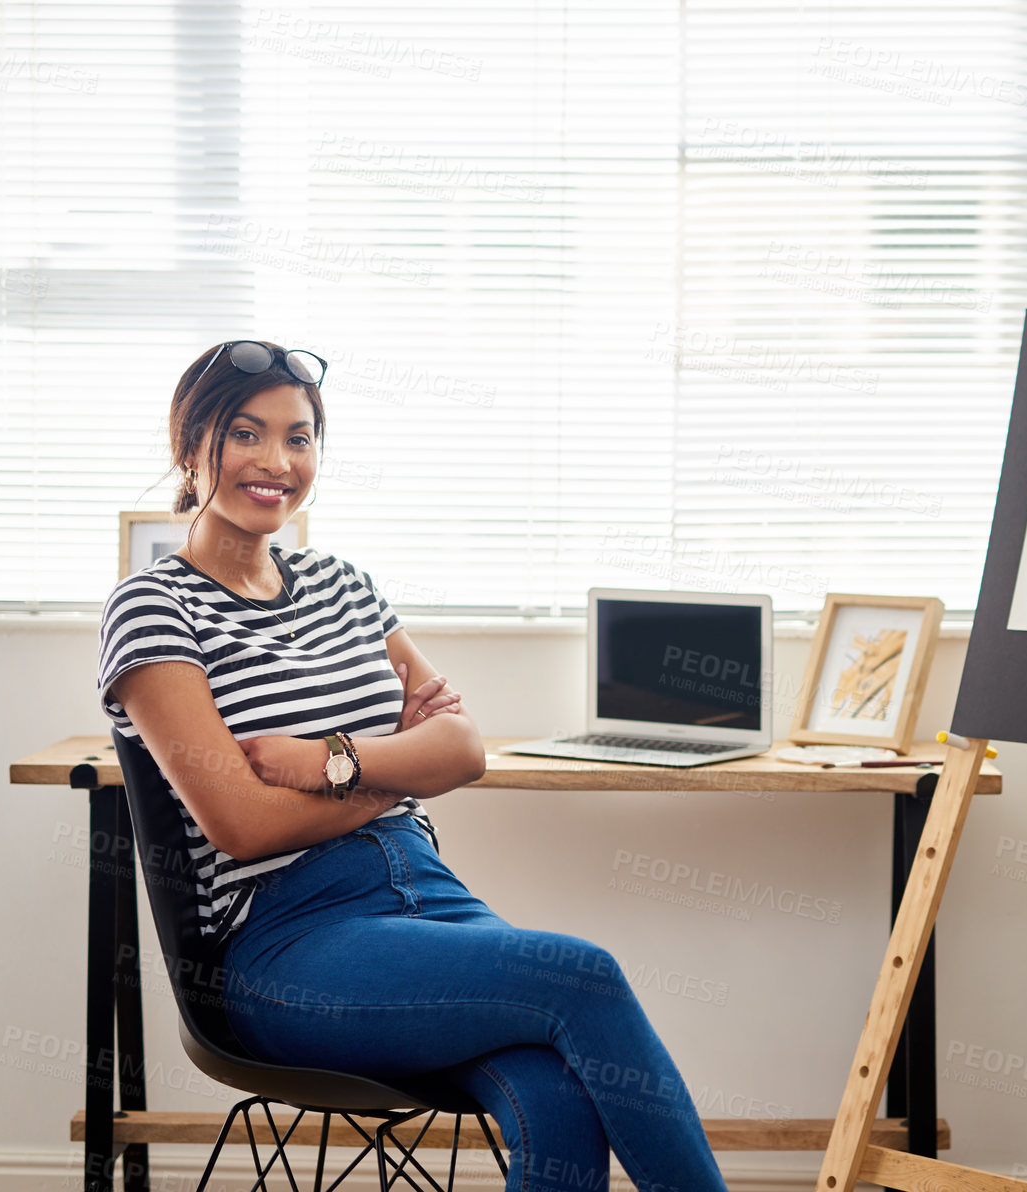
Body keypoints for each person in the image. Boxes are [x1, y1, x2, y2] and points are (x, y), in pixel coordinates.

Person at [97, 340, 728, 1192]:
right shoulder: (154, 606)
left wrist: (331, 762)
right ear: (189, 444)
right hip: (285, 941)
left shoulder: (345, 587)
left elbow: (464, 748)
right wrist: (395, 775)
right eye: (245, 434)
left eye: (300, 437)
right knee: (583, 976)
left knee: (559, 1095)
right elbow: (240, 825)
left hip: (434, 900)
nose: (277, 461)